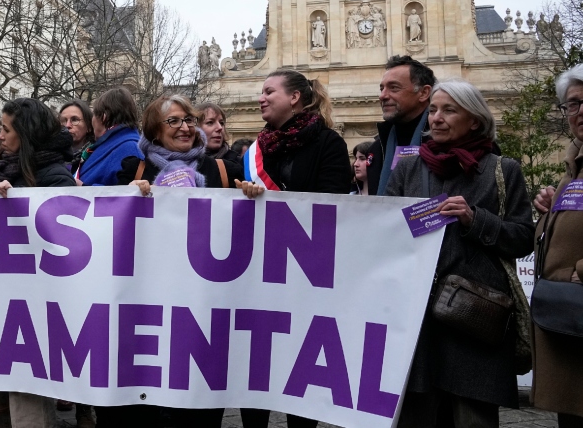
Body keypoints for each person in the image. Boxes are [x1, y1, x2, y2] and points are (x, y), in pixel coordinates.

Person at [384, 79, 534, 427]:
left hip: (475, 322)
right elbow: (383, 232)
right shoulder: (408, 169)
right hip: (418, 324)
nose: (436, 118)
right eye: (433, 110)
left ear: (475, 120)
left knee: (472, 419)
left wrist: (475, 219)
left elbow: (523, 237)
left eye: (449, 110)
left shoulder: (502, 169)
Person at [109, 94, 239, 427]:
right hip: (148, 308)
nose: (185, 127)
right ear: (154, 130)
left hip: (203, 309)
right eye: (174, 121)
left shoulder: (223, 170)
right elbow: (91, 218)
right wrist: (125, 196)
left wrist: (252, 197)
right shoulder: (132, 171)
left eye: (189, 120)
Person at [236, 70, 352, 428]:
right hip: (261, 277)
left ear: (295, 98)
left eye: (269, 91)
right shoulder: (258, 149)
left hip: (305, 277)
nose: (261, 98)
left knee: (303, 375)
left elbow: (332, 207)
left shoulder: (328, 144)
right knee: (255, 372)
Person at [0, 98, 73, 428]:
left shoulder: (54, 177)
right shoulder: (3, 168)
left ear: (26, 133)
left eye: (6, 129)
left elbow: (62, 247)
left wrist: (16, 203)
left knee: (26, 401)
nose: (0, 136)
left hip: (34, 313)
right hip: (0, 305)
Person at [530, 64, 583, 427]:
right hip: (571, 322)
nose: (580, 112)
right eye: (573, 104)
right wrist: (552, 210)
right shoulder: (574, 166)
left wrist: (579, 274)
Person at [368, 55, 436, 195]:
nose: (382, 96)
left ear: (423, 93)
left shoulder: (445, 143)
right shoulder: (377, 148)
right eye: (382, 89)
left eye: (394, 88)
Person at [73, 88, 144, 187]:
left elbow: (129, 198)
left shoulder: (131, 149)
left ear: (103, 117)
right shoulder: (111, 145)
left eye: (93, 114)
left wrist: (84, 187)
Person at [59, 99, 95, 165]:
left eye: (75, 120)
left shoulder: (95, 156)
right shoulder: (51, 155)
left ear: (89, 126)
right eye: (63, 120)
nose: (67, 125)